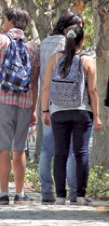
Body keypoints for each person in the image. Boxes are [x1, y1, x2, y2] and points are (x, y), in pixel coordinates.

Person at [0, 8, 41, 205]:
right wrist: (34, 109)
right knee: (20, 149)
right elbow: (34, 81)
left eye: (5, 20)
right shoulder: (32, 47)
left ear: (11, 21)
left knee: (3, 149)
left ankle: (4, 193)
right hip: (24, 102)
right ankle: (20, 194)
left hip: (2, 100)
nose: (3, 24)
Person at [40, 25, 102, 206]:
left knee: (60, 153)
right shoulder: (88, 60)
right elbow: (93, 91)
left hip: (58, 112)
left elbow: (46, 88)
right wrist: (97, 116)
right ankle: (80, 196)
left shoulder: (55, 58)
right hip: (82, 111)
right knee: (81, 152)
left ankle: (60, 196)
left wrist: (45, 111)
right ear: (82, 41)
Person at [37, 12, 83, 205]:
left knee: (48, 149)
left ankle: (47, 191)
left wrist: (42, 108)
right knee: (70, 150)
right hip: (66, 102)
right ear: (67, 29)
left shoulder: (44, 43)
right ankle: (72, 192)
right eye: (78, 26)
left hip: (47, 101)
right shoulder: (64, 45)